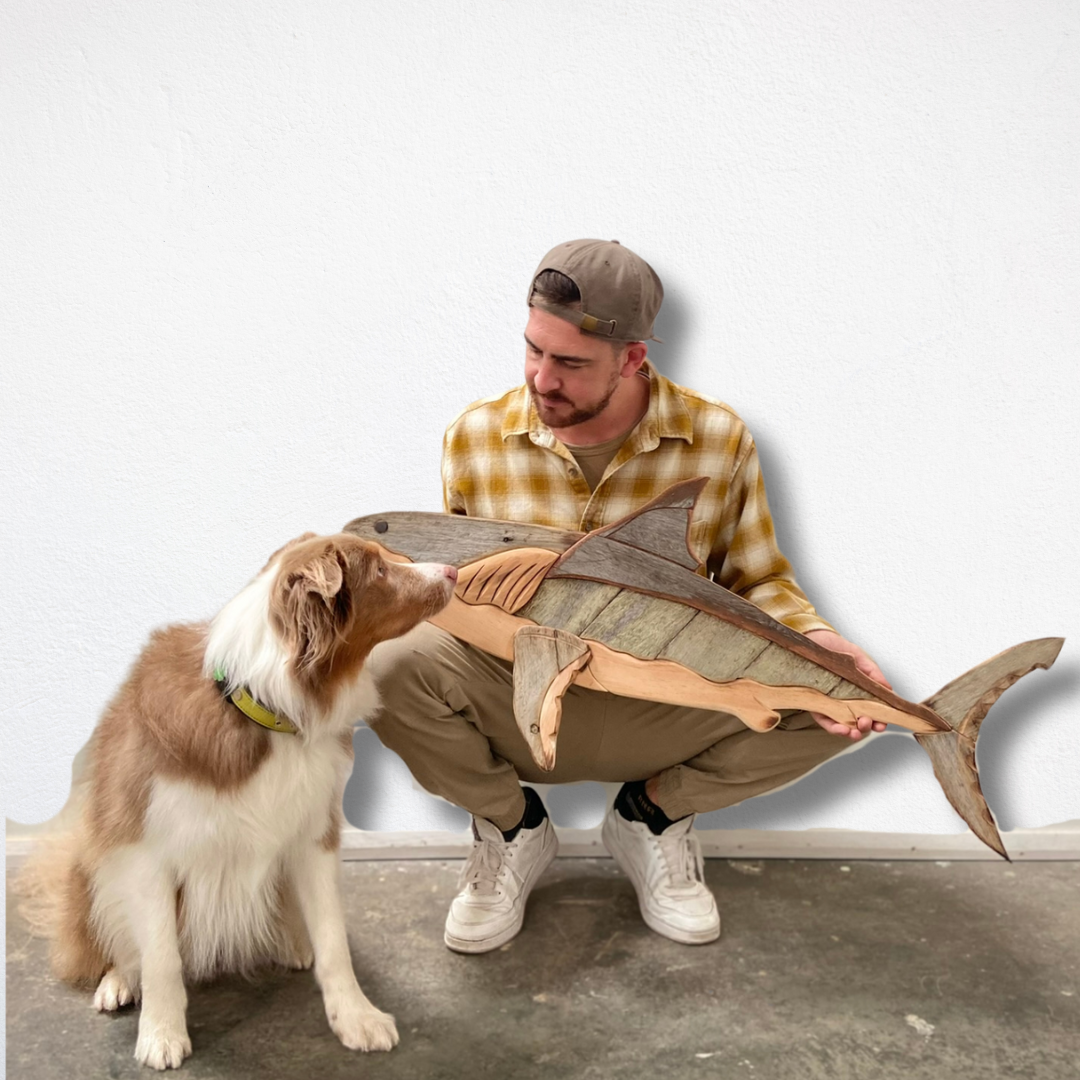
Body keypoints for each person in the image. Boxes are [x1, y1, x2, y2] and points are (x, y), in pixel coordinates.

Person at [366, 239, 890, 953]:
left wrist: (812, 637)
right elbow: (453, 600)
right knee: (388, 666)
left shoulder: (717, 438)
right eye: (533, 351)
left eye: (571, 364)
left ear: (634, 359)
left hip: (659, 700)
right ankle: (510, 829)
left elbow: (758, 578)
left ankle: (652, 817)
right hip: (523, 689)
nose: (541, 379)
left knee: (841, 699)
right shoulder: (474, 437)